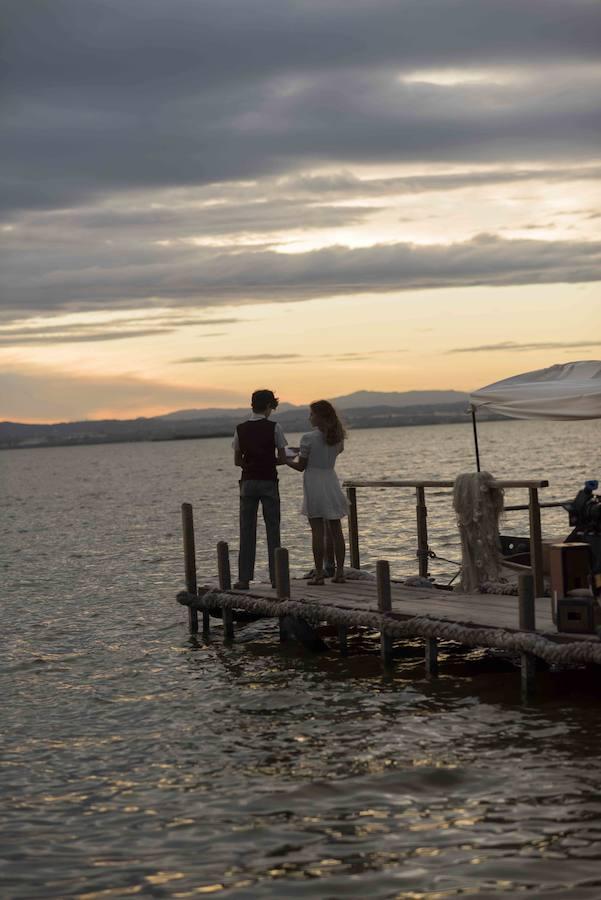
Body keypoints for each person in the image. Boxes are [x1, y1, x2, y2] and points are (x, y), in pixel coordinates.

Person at [286, 400, 348, 584]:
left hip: (314, 484)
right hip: (331, 481)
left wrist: (284, 459)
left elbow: (301, 466)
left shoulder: (308, 438)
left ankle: (320, 574)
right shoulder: (338, 437)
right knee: (337, 531)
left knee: (317, 532)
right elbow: (325, 452)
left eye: (311, 414)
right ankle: (340, 573)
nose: (309, 417)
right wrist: (302, 452)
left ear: (320, 417)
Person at [233, 389, 287, 589]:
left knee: (246, 530)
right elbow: (282, 458)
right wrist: (269, 461)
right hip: (268, 481)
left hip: (248, 482)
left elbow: (237, 460)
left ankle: (244, 578)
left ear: (252, 405)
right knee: (273, 529)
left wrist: (251, 463)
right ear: (268, 407)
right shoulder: (274, 427)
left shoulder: (240, 429)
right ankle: (276, 578)